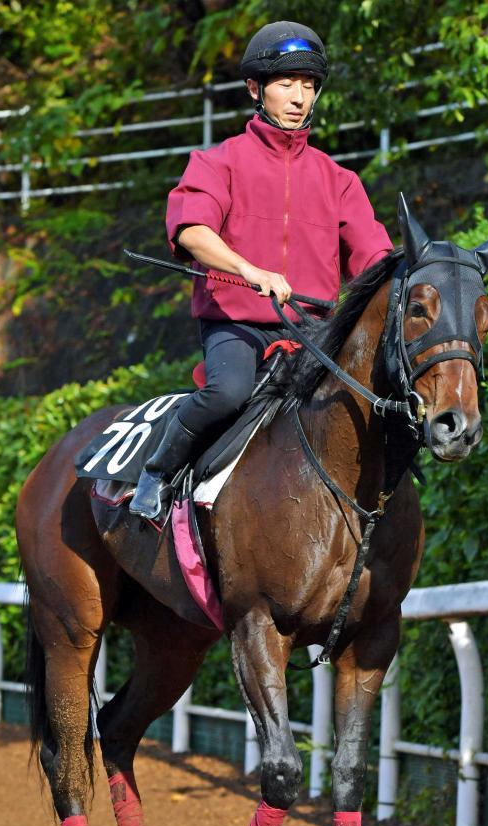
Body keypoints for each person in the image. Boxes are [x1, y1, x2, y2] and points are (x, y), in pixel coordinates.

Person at [129, 21, 392, 519]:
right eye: (287, 83)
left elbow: (375, 259)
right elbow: (191, 231)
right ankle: (158, 472)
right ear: (255, 88)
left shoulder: (340, 180)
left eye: (309, 86)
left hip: (316, 331)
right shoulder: (217, 162)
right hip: (237, 324)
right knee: (227, 392)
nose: (299, 97)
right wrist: (251, 270)